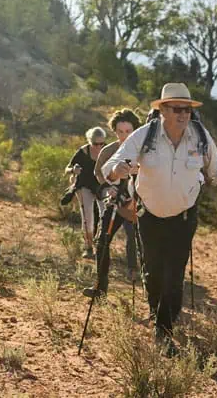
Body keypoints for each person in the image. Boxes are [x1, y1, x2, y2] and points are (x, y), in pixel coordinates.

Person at [103, 83, 217, 355]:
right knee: (153, 272)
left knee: (174, 274)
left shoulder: (199, 136)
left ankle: (164, 330)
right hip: (149, 216)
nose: (183, 114)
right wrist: (117, 171)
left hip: (183, 217)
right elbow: (111, 164)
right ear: (163, 110)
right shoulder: (145, 135)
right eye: (177, 109)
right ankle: (156, 311)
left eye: (187, 109)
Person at [83, 108, 143, 299]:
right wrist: (108, 189)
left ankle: (151, 291)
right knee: (102, 241)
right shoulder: (109, 151)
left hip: (139, 205)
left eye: (128, 131)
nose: (124, 136)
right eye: (120, 131)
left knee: (143, 244)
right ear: (114, 131)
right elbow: (99, 176)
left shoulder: (144, 151)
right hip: (115, 204)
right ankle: (100, 287)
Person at [65, 127, 107, 258]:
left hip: (101, 186)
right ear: (89, 141)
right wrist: (73, 170)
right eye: (95, 144)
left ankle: (101, 244)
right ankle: (88, 247)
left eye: (101, 143)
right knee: (88, 218)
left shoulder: (107, 150)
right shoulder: (83, 152)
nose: (99, 146)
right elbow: (67, 168)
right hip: (84, 186)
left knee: (105, 215)